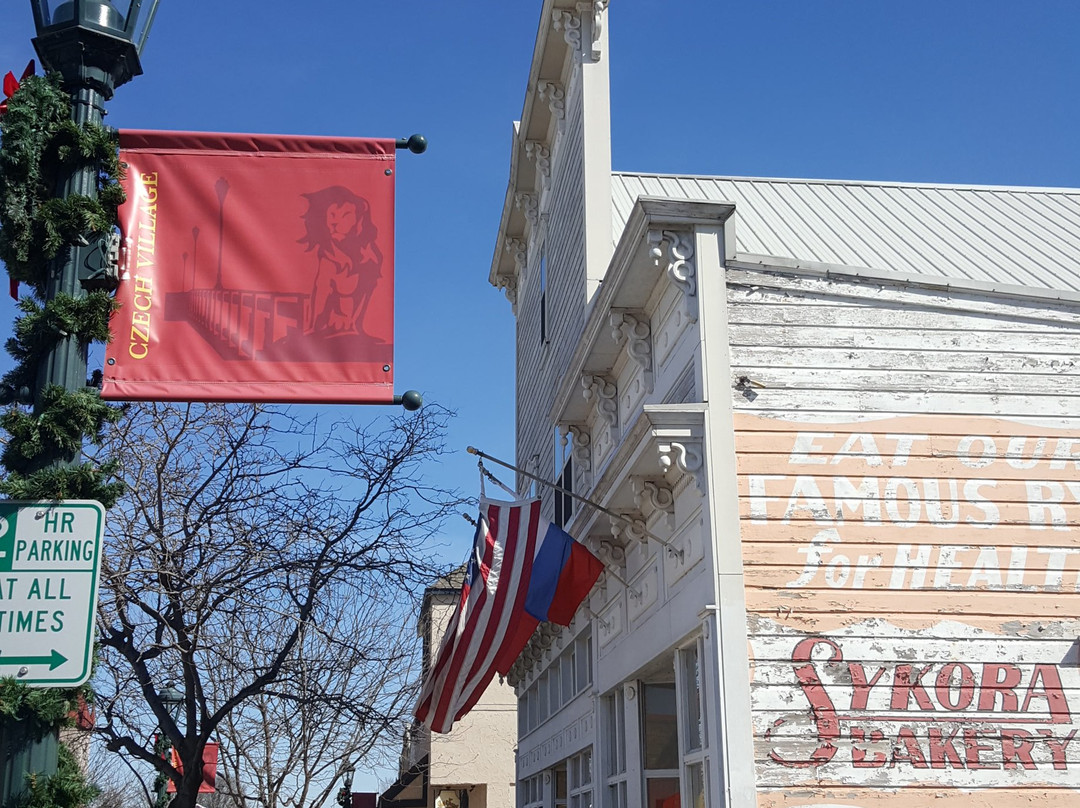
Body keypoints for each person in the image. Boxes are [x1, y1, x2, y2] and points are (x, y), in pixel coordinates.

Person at [297, 186, 382, 336]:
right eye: (332, 215)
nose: (335, 221)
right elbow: (321, 292)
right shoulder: (328, 254)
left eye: (346, 215)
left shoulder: (371, 257)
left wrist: (354, 324)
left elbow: (367, 293)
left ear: (358, 220)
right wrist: (314, 327)